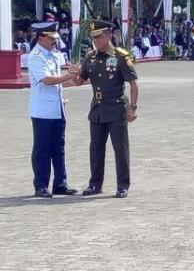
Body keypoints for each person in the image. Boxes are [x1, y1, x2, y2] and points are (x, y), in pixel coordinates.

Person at [73, 20, 139, 198]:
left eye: (100, 37)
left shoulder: (120, 56)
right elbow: (80, 80)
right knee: (95, 148)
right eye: (94, 38)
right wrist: (73, 75)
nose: (97, 41)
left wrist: (132, 108)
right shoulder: (91, 57)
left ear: (109, 36)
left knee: (120, 148)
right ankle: (95, 184)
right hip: (98, 109)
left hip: (116, 108)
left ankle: (123, 185)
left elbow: (133, 83)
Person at [27, 22, 79, 198]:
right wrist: (68, 76)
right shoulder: (35, 57)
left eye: (55, 38)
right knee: (42, 149)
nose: (54, 41)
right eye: (51, 38)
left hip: (57, 109)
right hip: (42, 111)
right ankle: (41, 185)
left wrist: (81, 80)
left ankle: (60, 183)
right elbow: (47, 80)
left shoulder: (54, 56)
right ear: (40, 37)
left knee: (59, 148)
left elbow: (60, 81)